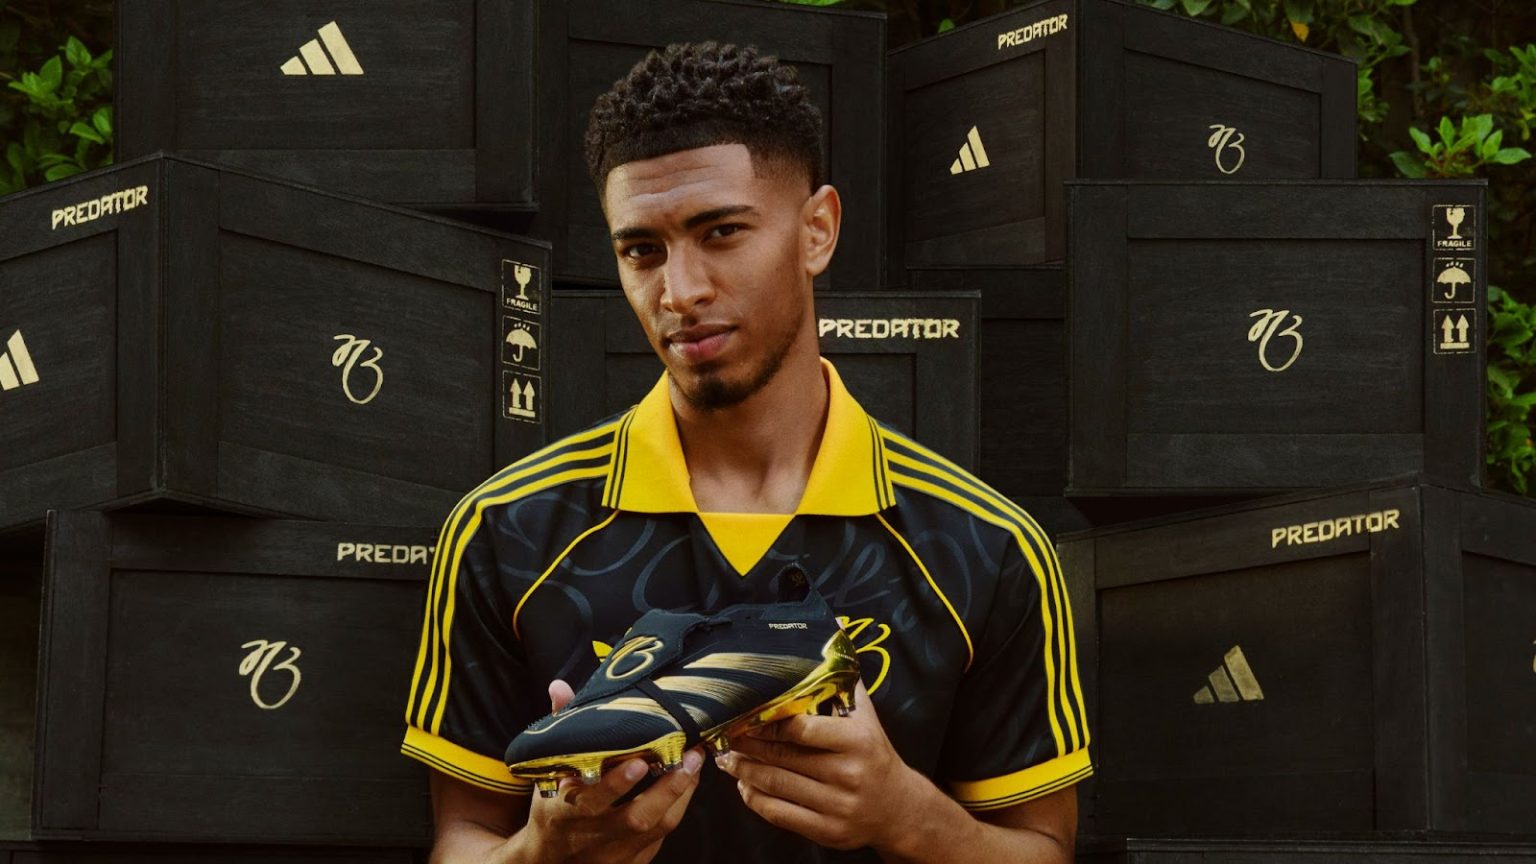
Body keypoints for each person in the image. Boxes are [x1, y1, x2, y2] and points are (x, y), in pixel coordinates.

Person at [400, 41, 1090, 864]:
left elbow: (1043, 848)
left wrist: (907, 816)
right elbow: (462, 840)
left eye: (721, 232)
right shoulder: (506, 530)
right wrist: (544, 851)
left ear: (817, 230)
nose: (680, 291)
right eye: (641, 251)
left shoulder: (986, 546)